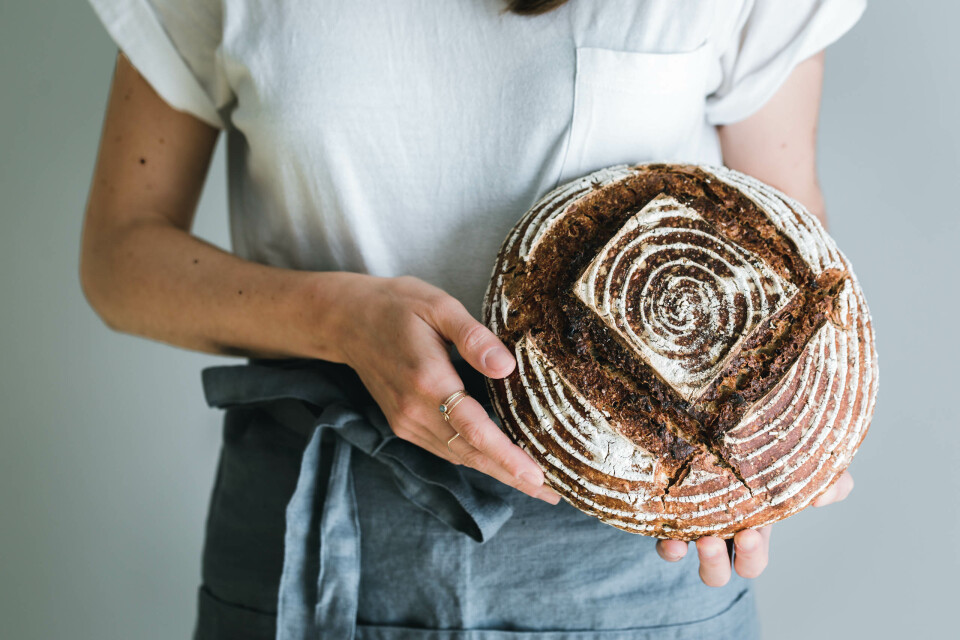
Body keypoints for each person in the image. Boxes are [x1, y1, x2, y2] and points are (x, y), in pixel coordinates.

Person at [80, 0, 864, 638]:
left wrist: (775, 445)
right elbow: (121, 258)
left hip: (631, 567)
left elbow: (799, 255)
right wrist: (338, 319)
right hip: (320, 544)